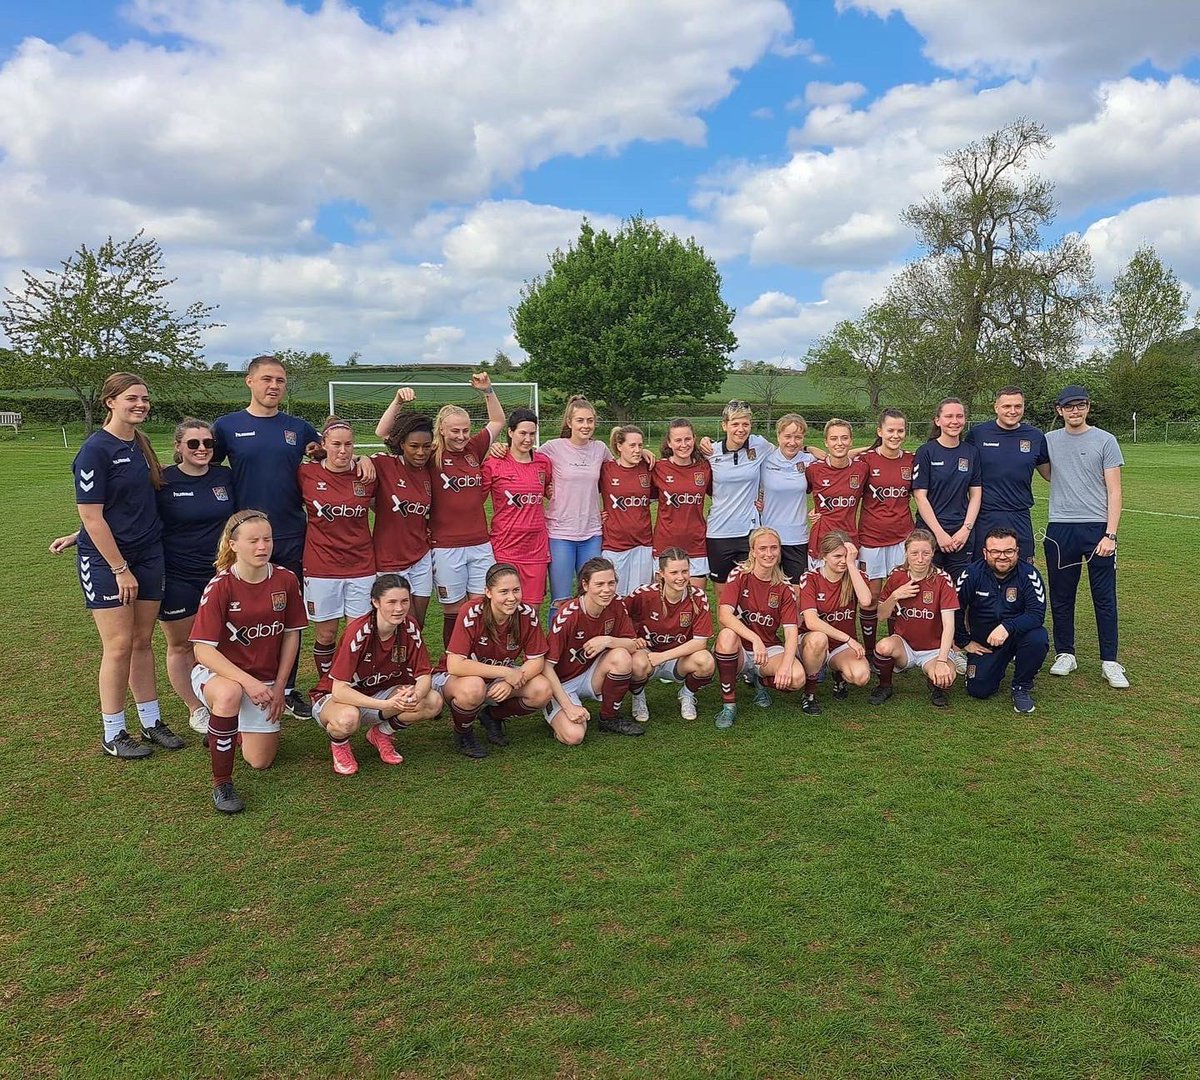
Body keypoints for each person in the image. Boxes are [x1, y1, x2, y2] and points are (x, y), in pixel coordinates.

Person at [52, 415, 234, 737]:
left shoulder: (225, 477)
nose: (202, 448)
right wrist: (80, 535)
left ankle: (222, 701)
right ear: (178, 447)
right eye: (193, 443)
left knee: (219, 642)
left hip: (219, 574)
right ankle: (195, 709)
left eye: (208, 443)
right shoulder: (162, 481)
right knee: (178, 645)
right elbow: (124, 513)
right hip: (175, 573)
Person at [213, 354, 373, 719]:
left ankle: (286, 687)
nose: (274, 386)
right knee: (240, 612)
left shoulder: (298, 428)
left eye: (280, 380)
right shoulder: (227, 426)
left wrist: (364, 458)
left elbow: (337, 450)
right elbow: (204, 467)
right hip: (247, 537)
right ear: (249, 382)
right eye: (267, 379)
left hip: (292, 536)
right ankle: (241, 684)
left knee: (289, 615)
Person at [68, 372, 179, 758]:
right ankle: (113, 732)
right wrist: (119, 567)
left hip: (149, 555)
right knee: (117, 646)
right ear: (110, 402)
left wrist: (74, 531)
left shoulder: (141, 444)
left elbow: (128, 504)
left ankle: (151, 722)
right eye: (132, 398)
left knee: (142, 642)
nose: (141, 404)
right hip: (108, 564)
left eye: (145, 399)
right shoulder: (95, 450)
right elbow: (92, 516)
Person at [190, 510, 307, 813]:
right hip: (220, 674)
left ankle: (226, 730)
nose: (262, 546)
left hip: (264, 681)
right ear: (233, 544)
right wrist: (249, 683)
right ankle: (222, 783)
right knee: (229, 695)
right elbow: (203, 651)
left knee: (260, 761)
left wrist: (280, 687)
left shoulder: (286, 579)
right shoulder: (221, 586)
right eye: (253, 540)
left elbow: (291, 636)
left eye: (267, 539)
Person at [398, 374, 506, 646]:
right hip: (445, 546)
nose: (461, 436)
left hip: (480, 544)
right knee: (453, 609)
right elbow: (388, 436)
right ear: (442, 430)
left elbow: (497, 422)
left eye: (465, 430)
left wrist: (488, 391)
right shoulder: (430, 453)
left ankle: (479, 657)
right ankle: (452, 661)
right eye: (454, 431)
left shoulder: (474, 448)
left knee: (482, 605)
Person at [310, 574, 442, 775]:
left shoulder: (410, 627)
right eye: (391, 602)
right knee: (347, 719)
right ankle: (340, 745)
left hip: (382, 692)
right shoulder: (359, 632)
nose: (399, 609)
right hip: (338, 699)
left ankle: (381, 733)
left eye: (404, 601)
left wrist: (416, 695)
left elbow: (424, 675)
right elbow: (339, 691)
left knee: (431, 700)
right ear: (375, 602)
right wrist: (386, 705)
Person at [1042, 384, 1128, 688]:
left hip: (1097, 529)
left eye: (1080, 406)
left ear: (1088, 407)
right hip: (1060, 528)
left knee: (1104, 597)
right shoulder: (1049, 440)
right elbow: (1046, 471)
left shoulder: (1106, 440)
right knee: (1062, 596)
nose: (1074, 411)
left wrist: (1111, 534)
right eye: (1069, 407)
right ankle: (1065, 653)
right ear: (1059, 410)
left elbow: (1115, 490)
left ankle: (1110, 661)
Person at [437, 563, 554, 758]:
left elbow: (536, 660)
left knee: (542, 690)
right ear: (488, 592)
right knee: (474, 687)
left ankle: (492, 716)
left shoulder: (527, 614)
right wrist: (507, 673)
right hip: (455, 678)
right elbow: (455, 665)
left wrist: (511, 680)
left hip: (499, 676)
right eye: (504, 592)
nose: (511, 598)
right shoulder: (472, 612)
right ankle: (463, 733)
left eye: (516, 590)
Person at [298, 419, 377, 687]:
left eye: (348, 444)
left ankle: (351, 679)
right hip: (321, 566)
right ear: (324, 445)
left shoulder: (366, 475)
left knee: (358, 631)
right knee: (327, 633)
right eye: (336, 445)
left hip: (361, 565)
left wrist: (363, 458)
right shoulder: (306, 474)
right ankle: (327, 685)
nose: (342, 450)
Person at [543, 557, 645, 744]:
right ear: (585, 584)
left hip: (591, 674)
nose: (606, 590)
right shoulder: (568, 615)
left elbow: (632, 644)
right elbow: (546, 667)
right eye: (599, 584)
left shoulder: (616, 604)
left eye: (611, 583)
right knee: (574, 736)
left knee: (622, 656)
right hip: (561, 683)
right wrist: (568, 707)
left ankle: (609, 718)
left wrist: (607, 640)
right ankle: (557, 712)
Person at [712, 527, 804, 730]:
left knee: (797, 678)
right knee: (727, 635)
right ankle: (729, 704)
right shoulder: (739, 575)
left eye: (774, 548)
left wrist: (787, 665)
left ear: (780, 551)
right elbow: (724, 615)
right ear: (753, 551)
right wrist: (755, 639)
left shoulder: (784, 587)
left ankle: (760, 679)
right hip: (740, 649)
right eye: (762, 548)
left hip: (768, 651)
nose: (768, 553)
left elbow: (790, 633)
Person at [954, 525, 1049, 714]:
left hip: (1017, 636)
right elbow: (955, 608)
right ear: (985, 552)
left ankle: (1022, 686)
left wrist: (1008, 626)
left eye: (1008, 551)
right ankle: (997, 662)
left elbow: (1036, 614)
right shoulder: (971, 573)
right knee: (978, 689)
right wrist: (964, 641)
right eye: (995, 551)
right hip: (985, 643)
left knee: (1038, 638)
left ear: (1017, 551)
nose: (1002, 556)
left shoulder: (1029, 575)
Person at [537, 397, 611, 624]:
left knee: (592, 595)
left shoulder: (600, 449)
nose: (585, 425)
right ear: (569, 422)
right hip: (560, 534)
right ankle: (555, 652)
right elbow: (524, 461)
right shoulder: (552, 448)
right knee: (561, 599)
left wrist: (647, 455)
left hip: (591, 533)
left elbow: (622, 470)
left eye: (590, 420)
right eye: (580, 420)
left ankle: (585, 646)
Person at [868, 529, 959, 707]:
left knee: (946, 678)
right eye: (914, 553)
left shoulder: (942, 580)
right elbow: (881, 615)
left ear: (933, 553)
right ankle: (885, 685)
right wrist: (894, 596)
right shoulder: (897, 576)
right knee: (883, 646)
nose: (920, 558)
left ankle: (935, 684)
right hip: (905, 645)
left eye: (925, 553)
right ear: (906, 553)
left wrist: (941, 661)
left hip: (934, 649)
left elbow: (949, 626)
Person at [626, 548, 716, 722]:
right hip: (647, 654)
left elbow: (700, 643)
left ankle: (687, 694)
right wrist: (631, 638)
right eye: (674, 572)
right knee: (636, 664)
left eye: (685, 571)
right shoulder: (644, 593)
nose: (680, 577)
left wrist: (663, 657)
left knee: (706, 662)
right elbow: (620, 615)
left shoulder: (698, 597)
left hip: (679, 657)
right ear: (661, 574)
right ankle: (638, 696)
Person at [371, 390, 435, 628]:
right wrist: (397, 401)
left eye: (426, 446)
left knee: (417, 622)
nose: (420, 452)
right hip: (388, 558)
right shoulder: (383, 464)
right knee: (390, 622)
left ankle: (412, 664)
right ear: (401, 444)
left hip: (420, 557)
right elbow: (381, 433)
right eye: (414, 446)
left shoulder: (430, 467)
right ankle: (385, 664)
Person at [856, 408, 916, 659]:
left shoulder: (912, 460)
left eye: (900, 430)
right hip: (871, 538)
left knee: (897, 594)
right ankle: (870, 651)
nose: (895, 435)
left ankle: (894, 646)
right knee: (870, 597)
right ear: (879, 431)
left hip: (902, 538)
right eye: (890, 430)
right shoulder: (866, 460)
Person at [965, 385, 1050, 560]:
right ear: (996, 407)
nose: (1012, 411)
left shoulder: (1035, 436)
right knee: (983, 569)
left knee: (1022, 568)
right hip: (985, 515)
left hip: (1019, 514)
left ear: (1023, 407)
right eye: (1006, 406)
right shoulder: (978, 434)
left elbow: (1050, 474)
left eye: (1017, 406)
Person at [797, 531, 873, 714]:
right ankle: (809, 694)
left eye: (846, 556)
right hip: (811, 642)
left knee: (861, 676)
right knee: (819, 639)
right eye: (837, 556)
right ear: (823, 556)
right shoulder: (811, 578)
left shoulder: (854, 575)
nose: (842, 561)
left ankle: (839, 676)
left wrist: (851, 565)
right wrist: (848, 639)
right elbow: (811, 621)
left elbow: (865, 601)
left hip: (840, 646)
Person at [482, 408, 552, 607]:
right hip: (505, 547)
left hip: (536, 550)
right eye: (523, 433)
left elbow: (549, 489)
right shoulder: (494, 463)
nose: (528, 439)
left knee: (532, 610)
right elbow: (473, 502)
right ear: (511, 432)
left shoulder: (543, 462)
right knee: (503, 609)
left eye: (532, 433)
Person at [912, 397, 982, 581]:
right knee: (928, 589)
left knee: (961, 592)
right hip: (930, 533)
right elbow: (920, 497)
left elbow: (975, 494)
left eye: (959, 416)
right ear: (938, 420)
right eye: (949, 416)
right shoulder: (926, 452)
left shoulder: (971, 452)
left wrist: (965, 530)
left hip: (961, 533)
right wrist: (939, 534)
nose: (954, 421)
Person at [705, 400, 770, 583]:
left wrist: (808, 448)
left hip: (749, 532)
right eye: (735, 424)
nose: (740, 429)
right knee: (722, 591)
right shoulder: (710, 452)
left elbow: (785, 455)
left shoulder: (760, 445)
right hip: (719, 531)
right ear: (724, 425)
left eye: (745, 424)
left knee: (750, 590)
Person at [652, 419, 712, 590]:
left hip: (696, 544)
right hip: (665, 544)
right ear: (669, 443)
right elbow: (638, 496)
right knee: (663, 603)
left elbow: (724, 492)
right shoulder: (658, 468)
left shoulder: (705, 467)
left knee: (696, 602)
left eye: (687, 439)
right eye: (678, 440)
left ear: (694, 439)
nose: (683, 445)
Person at [759, 413, 817, 583]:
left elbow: (836, 463)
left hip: (797, 537)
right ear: (778, 436)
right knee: (769, 591)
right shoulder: (765, 459)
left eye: (798, 437)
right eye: (787, 436)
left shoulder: (810, 460)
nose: (792, 442)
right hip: (769, 537)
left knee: (797, 593)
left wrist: (818, 508)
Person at [805, 419, 870, 566]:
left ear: (851, 441)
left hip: (849, 540)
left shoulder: (862, 468)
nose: (839, 443)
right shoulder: (813, 470)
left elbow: (879, 449)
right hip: (821, 541)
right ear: (826, 442)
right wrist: (807, 448)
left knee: (848, 588)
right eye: (834, 438)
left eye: (844, 438)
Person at [600, 425, 654, 596]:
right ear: (619, 446)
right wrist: (596, 513)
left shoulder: (649, 468)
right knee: (614, 596)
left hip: (643, 544)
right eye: (632, 445)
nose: (637, 450)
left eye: (640, 445)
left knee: (640, 597)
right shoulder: (606, 469)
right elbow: (583, 489)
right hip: (614, 545)